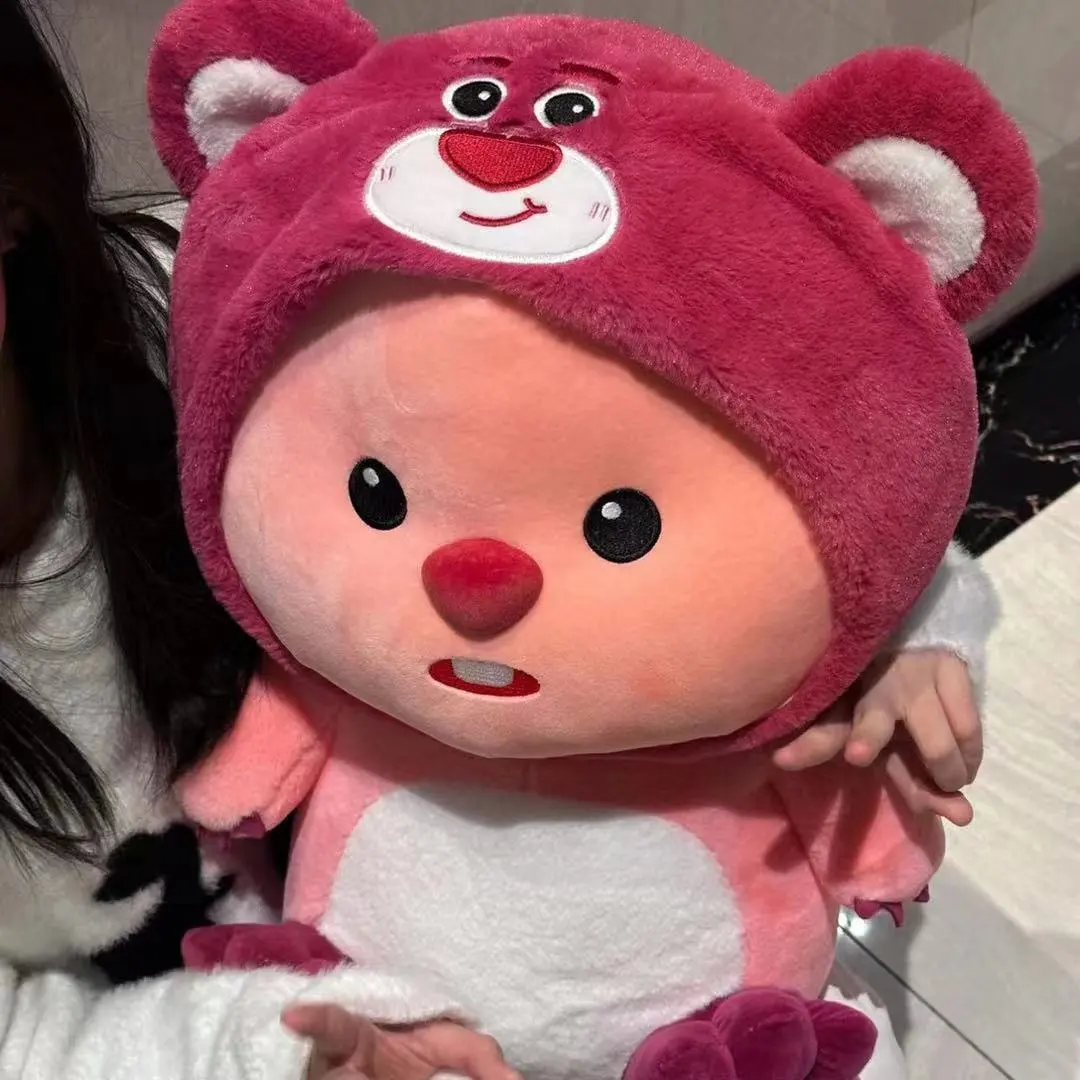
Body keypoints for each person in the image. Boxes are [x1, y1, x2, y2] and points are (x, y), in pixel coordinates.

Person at [0, 1, 993, 1076]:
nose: (476, 581)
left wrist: (910, 639)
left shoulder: (200, 285)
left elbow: (834, 472)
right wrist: (273, 1048)